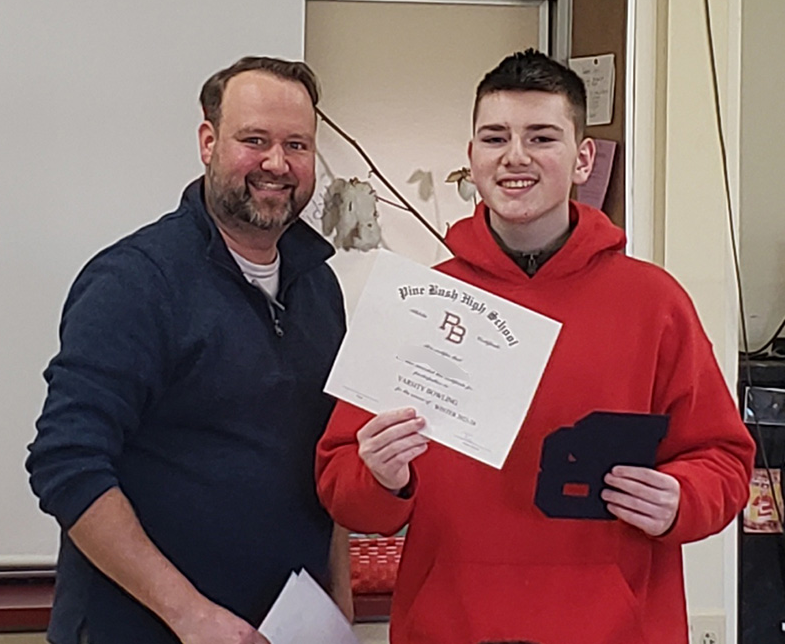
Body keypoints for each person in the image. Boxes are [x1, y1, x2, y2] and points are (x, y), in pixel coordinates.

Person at [315, 49, 755, 644]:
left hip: (617, 627)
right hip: (451, 625)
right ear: (471, 158)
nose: (515, 156)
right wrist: (380, 477)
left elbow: (725, 460)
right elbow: (343, 487)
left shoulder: (654, 303)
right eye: (494, 137)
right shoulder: (418, 305)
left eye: (542, 137)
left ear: (582, 158)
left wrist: (684, 499)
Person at [27, 56, 350, 644]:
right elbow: (65, 464)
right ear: (208, 142)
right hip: (143, 631)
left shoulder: (320, 287)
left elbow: (329, 455)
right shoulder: (135, 282)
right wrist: (190, 615)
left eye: (297, 145)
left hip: (288, 630)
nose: (277, 164)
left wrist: (339, 605)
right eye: (255, 140)